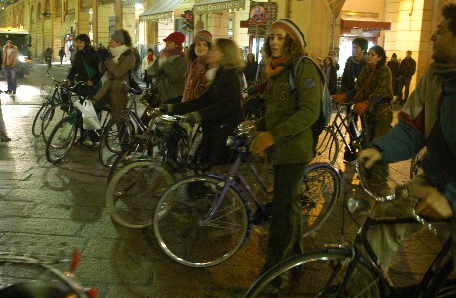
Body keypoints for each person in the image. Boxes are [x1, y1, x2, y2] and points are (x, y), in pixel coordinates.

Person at [358, 2, 456, 271]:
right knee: (382, 221)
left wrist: (450, 199)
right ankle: (365, 295)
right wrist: (380, 149)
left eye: (442, 31)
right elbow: (413, 126)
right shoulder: (436, 77)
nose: (433, 37)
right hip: (437, 178)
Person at [249, 19, 323, 275]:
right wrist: (259, 127)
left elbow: (309, 112)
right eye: (272, 37)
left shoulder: (303, 69)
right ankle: (296, 258)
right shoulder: (278, 70)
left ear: (291, 41)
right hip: (281, 148)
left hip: (295, 150)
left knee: (282, 208)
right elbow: (277, 110)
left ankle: (275, 266)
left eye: (280, 37)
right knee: (289, 204)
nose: (274, 42)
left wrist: (272, 136)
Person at [165, 38, 245, 169]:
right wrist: (173, 108)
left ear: (224, 54)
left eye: (214, 50)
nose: (210, 52)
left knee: (216, 175)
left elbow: (223, 107)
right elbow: (203, 100)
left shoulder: (230, 76)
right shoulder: (221, 73)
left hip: (224, 134)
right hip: (214, 131)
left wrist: (198, 115)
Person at [333, 45, 393, 193]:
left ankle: (379, 178)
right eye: (369, 54)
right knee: (367, 143)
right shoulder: (366, 70)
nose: (369, 57)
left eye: (373, 55)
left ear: (380, 57)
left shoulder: (385, 71)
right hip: (368, 114)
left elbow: (382, 93)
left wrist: (366, 103)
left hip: (381, 113)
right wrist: (344, 96)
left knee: (379, 144)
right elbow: (358, 89)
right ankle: (369, 173)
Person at [66, 33, 103, 145]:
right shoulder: (78, 54)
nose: (78, 44)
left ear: (86, 42)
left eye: (80, 42)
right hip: (81, 86)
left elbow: (100, 70)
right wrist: (69, 79)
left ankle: (94, 137)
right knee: (81, 112)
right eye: (77, 42)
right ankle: (83, 136)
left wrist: (93, 81)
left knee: (90, 112)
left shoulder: (94, 54)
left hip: (92, 87)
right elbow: (74, 69)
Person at [93, 29, 136, 120]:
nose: (109, 44)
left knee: (118, 118)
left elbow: (118, 72)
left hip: (120, 91)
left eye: (111, 41)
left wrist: (108, 61)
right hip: (107, 88)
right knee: (92, 106)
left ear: (119, 43)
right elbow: (101, 70)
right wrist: (103, 59)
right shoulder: (113, 53)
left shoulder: (129, 56)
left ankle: (123, 134)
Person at [147, 31, 189, 105]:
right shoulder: (163, 55)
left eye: (169, 42)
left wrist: (165, 62)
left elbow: (176, 77)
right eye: (166, 42)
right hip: (158, 95)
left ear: (177, 44)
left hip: (172, 96)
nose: (166, 44)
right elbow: (151, 72)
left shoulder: (182, 60)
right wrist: (159, 62)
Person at [182, 30, 212, 102]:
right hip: (188, 106)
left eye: (205, 45)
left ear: (209, 48)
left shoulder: (210, 65)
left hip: (200, 108)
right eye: (198, 44)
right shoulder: (192, 63)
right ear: (193, 47)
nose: (201, 47)